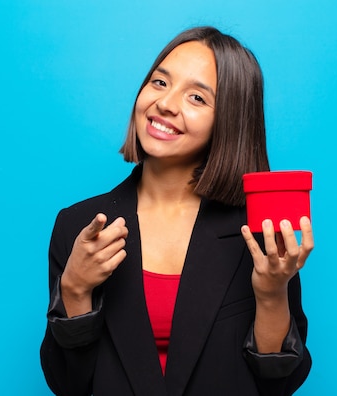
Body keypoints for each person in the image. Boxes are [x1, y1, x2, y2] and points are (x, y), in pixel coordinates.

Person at [40, 26, 314, 396]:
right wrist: (73, 289)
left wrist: (271, 294)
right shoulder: (78, 226)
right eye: (159, 82)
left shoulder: (257, 232)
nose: (166, 104)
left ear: (229, 120)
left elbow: (278, 384)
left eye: (197, 98)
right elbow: (68, 384)